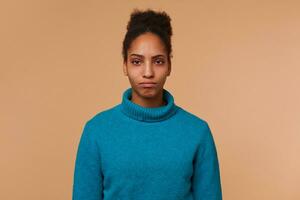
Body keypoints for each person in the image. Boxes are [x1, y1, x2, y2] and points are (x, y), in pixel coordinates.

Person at [72, 8, 223, 200]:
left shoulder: (197, 132)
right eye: (137, 62)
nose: (148, 72)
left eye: (158, 61)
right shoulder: (96, 131)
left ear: (169, 65)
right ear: (124, 65)